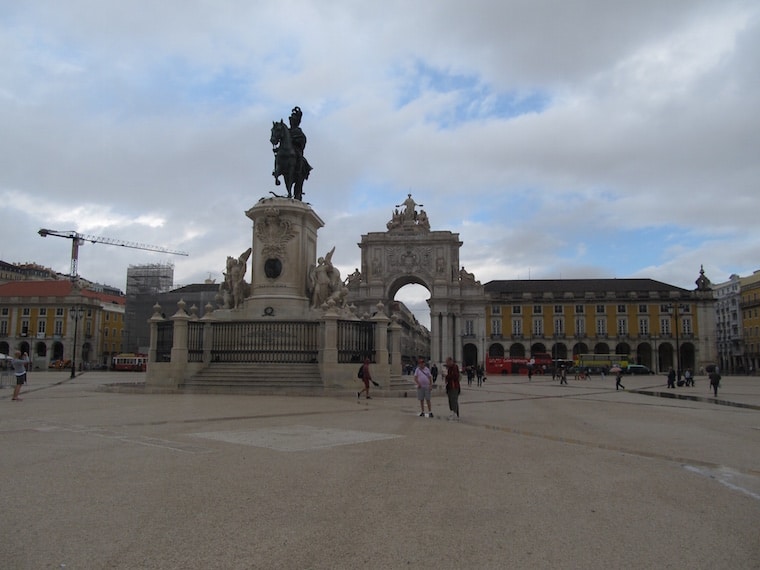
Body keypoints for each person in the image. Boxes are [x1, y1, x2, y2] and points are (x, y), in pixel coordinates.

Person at [444, 357, 461, 421]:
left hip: (454, 386)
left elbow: (455, 376)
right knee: (450, 400)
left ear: (451, 361)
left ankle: (456, 414)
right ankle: (452, 413)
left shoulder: (455, 367)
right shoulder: (449, 368)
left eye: (447, 362)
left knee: (454, 400)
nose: (447, 363)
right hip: (450, 386)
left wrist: (447, 376)